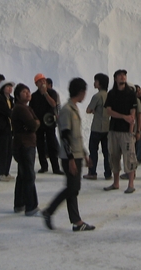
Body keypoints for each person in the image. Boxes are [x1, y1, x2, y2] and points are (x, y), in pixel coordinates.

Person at [42, 78, 95, 231]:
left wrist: (84, 154)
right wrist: (71, 159)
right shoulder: (67, 110)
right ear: (80, 92)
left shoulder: (73, 108)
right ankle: (49, 211)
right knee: (72, 188)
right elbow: (65, 136)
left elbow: (76, 136)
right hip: (69, 157)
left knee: (73, 189)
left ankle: (77, 222)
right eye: (84, 91)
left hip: (76, 155)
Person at [103, 69, 139, 194]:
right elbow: (108, 111)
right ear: (115, 78)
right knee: (114, 156)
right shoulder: (111, 93)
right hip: (113, 129)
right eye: (120, 75)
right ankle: (116, 182)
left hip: (126, 131)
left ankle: (131, 184)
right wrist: (124, 117)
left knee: (129, 156)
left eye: (124, 75)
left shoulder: (131, 93)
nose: (123, 77)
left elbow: (133, 112)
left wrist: (131, 129)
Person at [12, 84, 40, 215]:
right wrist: (34, 124)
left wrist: (34, 123)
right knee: (29, 175)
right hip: (25, 144)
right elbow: (34, 124)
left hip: (24, 144)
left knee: (23, 175)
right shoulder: (21, 108)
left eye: (28, 91)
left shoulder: (26, 108)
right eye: (24, 92)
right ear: (17, 96)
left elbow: (36, 121)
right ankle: (31, 206)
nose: (28, 93)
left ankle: (19, 204)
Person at [31, 73, 62, 175]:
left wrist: (45, 94)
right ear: (36, 84)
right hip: (39, 123)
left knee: (52, 144)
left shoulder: (52, 92)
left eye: (43, 81)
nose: (42, 83)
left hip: (49, 122)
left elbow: (53, 104)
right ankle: (43, 166)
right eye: (40, 82)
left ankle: (55, 167)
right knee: (40, 145)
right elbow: (31, 109)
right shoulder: (34, 96)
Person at [84, 73, 111, 180]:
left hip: (96, 127)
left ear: (100, 83)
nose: (94, 83)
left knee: (93, 151)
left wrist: (94, 110)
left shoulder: (97, 96)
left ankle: (92, 172)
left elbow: (88, 110)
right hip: (107, 127)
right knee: (107, 152)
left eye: (96, 81)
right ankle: (108, 173)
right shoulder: (110, 95)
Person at [0, 80, 15, 181]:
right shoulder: (0, 99)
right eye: (7, 87)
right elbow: (7, 112)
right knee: (3, 151)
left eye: (11, 87)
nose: (10, 88)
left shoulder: (11, 99)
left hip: (9, 128)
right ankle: (0, 173)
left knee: (9, 151)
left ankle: (6, 172)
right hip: (2, 129)